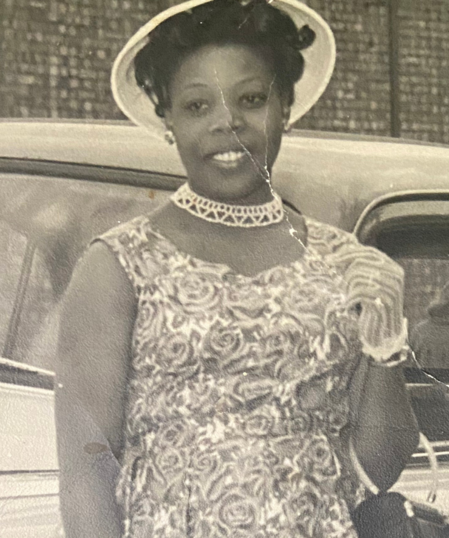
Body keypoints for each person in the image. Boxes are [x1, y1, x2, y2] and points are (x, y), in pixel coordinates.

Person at [54, 1, 420, 537]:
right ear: (168, 121)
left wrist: (385, 345)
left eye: (251, 99)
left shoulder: (343, 262)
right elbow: (85, 475)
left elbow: (376, 470)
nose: (227, 122)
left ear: (285, 107)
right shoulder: (118, 265)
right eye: (198, 105)